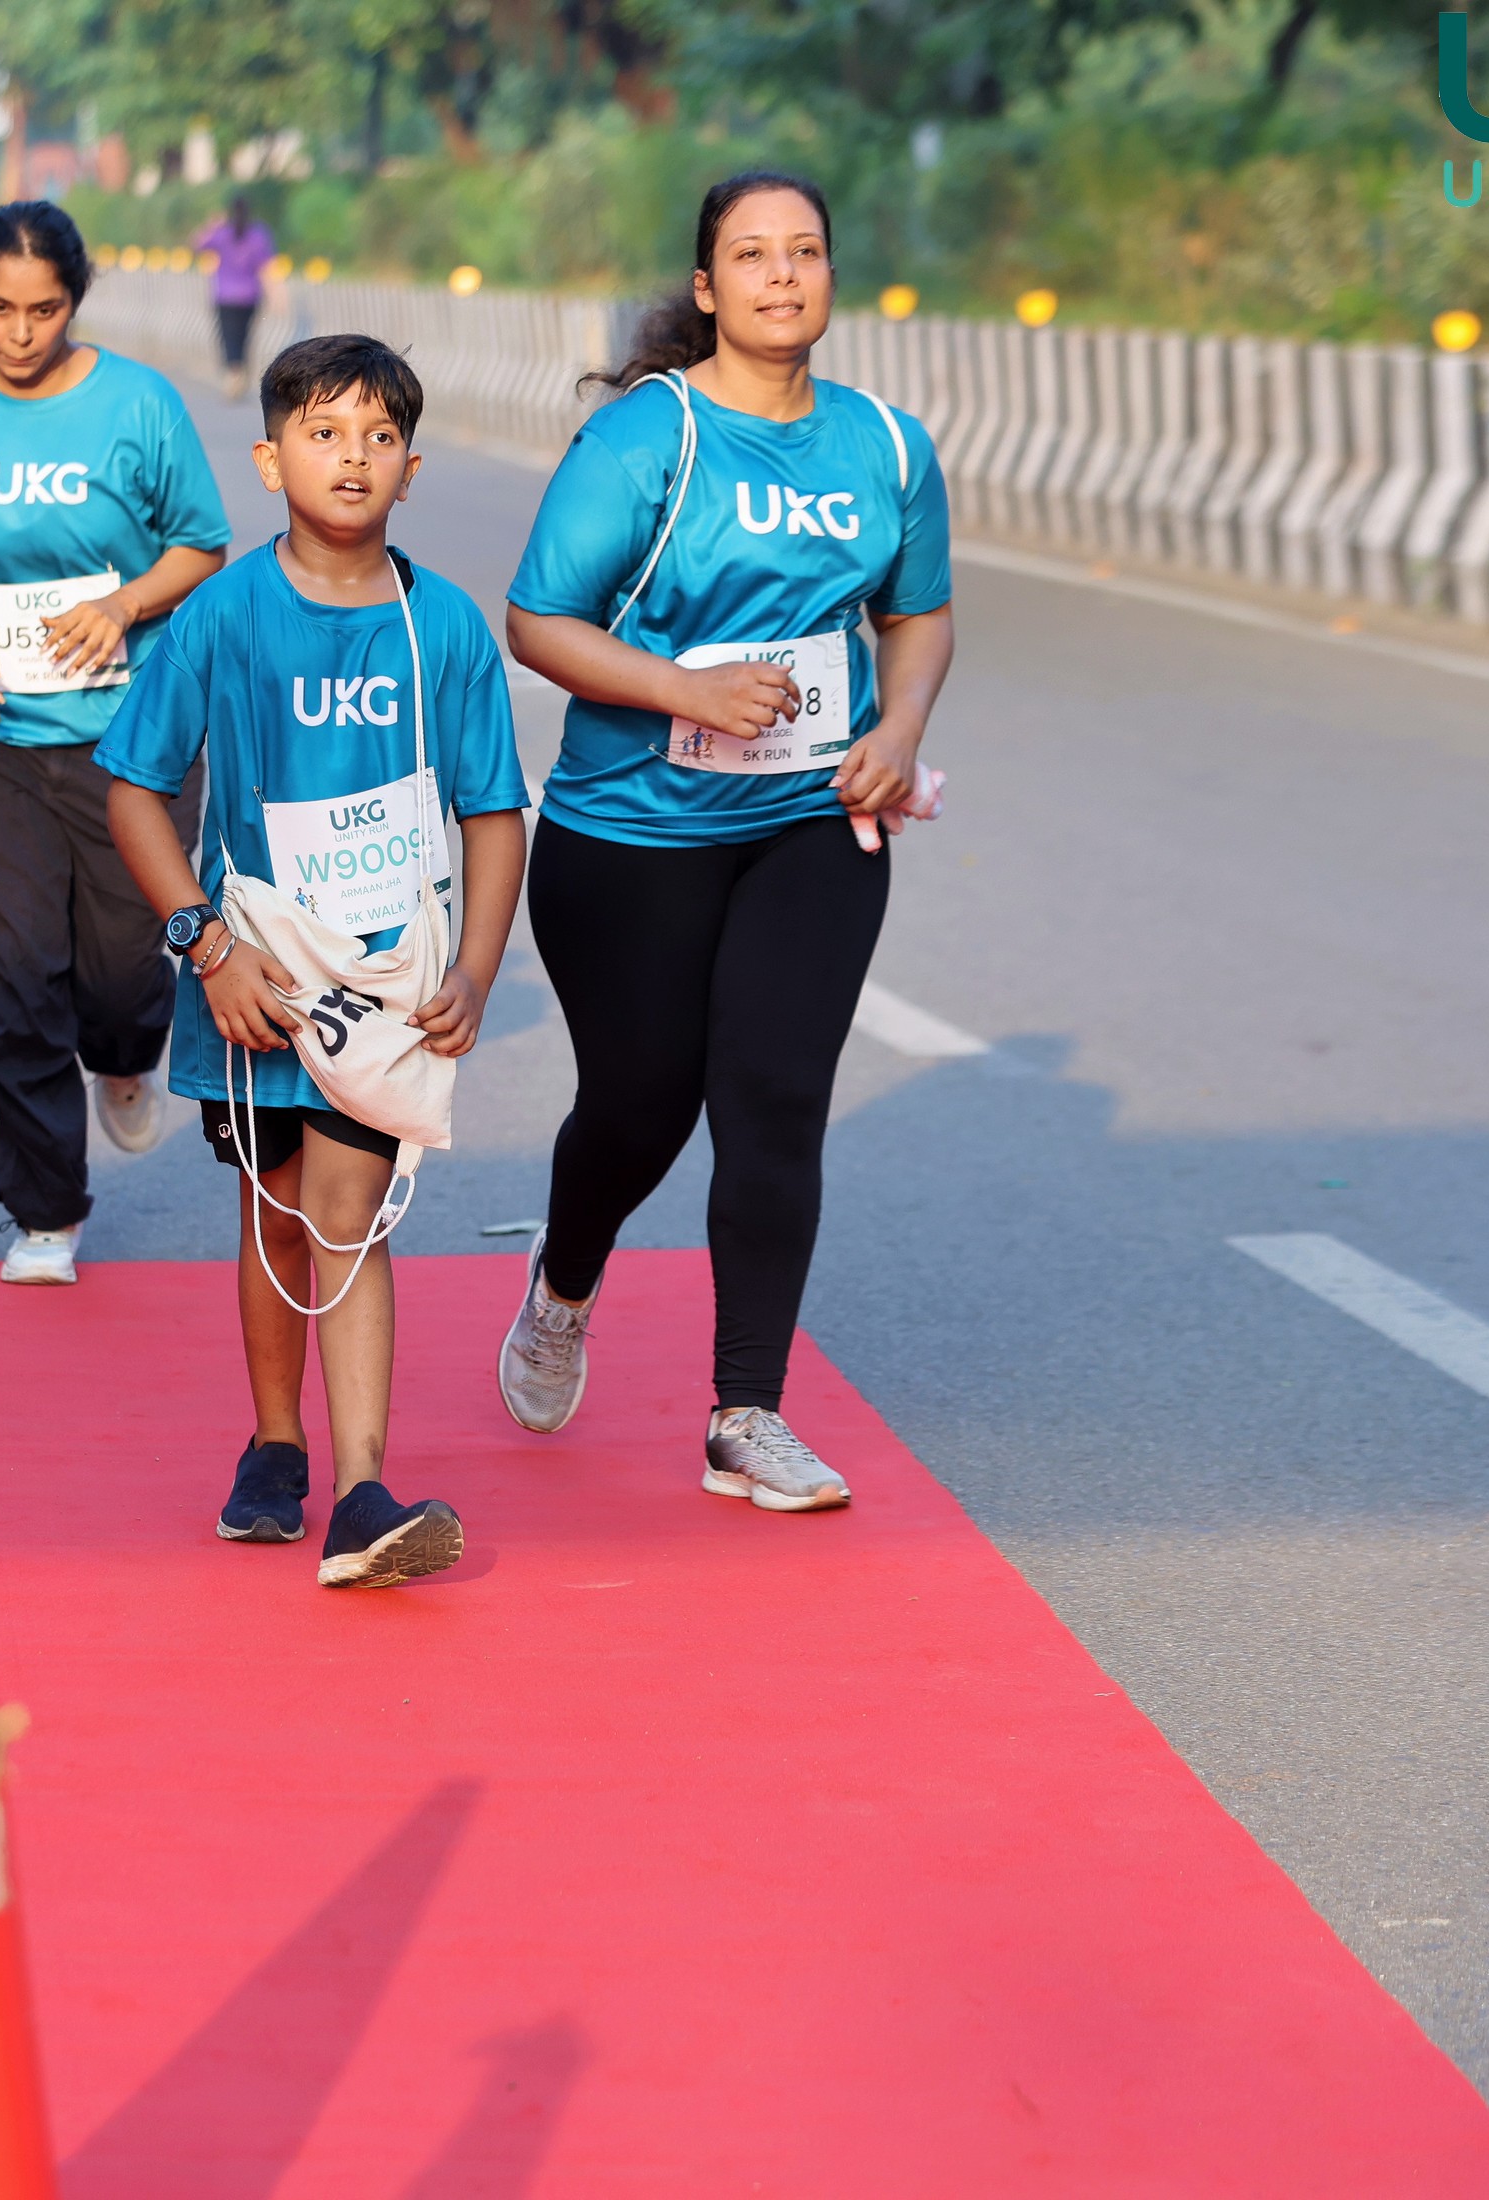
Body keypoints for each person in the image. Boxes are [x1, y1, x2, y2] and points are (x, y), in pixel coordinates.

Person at [494, 170, 955, 1512]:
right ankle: (564, 1283)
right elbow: (539, 619)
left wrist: (899, 728)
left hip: (811, 822)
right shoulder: (651, 438)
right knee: (643, 1103)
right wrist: (684, 691)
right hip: (630, 831)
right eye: (752, 255)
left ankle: (747, 1413)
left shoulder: (885, 446)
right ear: (707, 288)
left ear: (831, 277)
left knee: (774, 1097)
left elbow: (917, 613)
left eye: (805, 251)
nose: (781, 275)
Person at [97, 332, 529, 1587]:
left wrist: (476, 968)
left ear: (411, 469)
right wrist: (205, 942)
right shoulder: (224, 613)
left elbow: (495, 812)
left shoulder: (443, 626)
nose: (353, 458)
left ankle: (361, 1493)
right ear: (269, 458)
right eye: (324, 433)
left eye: (380, 438)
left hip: (383, 990)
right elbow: (134, 788)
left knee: (348, 1214)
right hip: (256, 982)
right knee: (276, 1212)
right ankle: (275, 1444)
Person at [0, 200, 231, 1287]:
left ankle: (125, 1058)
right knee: (13, 971)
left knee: (125, 969)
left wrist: (122, 606)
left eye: (43, 310)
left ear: (75, 301)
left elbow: (201, 545)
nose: (20, 333)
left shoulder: (140, 405)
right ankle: (44, 1209)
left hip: (131, 741)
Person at [192, 195, 276, 401]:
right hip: (249, 296)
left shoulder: (222, 233)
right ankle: (240, 373)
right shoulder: (258, 234)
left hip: (226, 296)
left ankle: (233, 373)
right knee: (244, 337)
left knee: (228, 337)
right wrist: (276, 294)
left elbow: (197, 244)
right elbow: (267, 266)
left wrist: (212, 224)